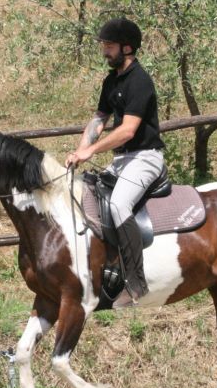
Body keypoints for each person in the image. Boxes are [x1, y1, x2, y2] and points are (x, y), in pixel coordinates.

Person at [65, 17, 165, 301]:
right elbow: (99, 119)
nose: (104, 51)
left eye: (109, 46)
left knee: (120, 205)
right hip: (122, 160)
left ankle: (135, 281)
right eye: (104, 45)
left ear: (127, 47)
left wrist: (91, 151)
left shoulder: (140, 81)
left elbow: (127, 131)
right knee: (85, 195)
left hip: (146, 158)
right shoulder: (111, 81)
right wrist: (78, 151)